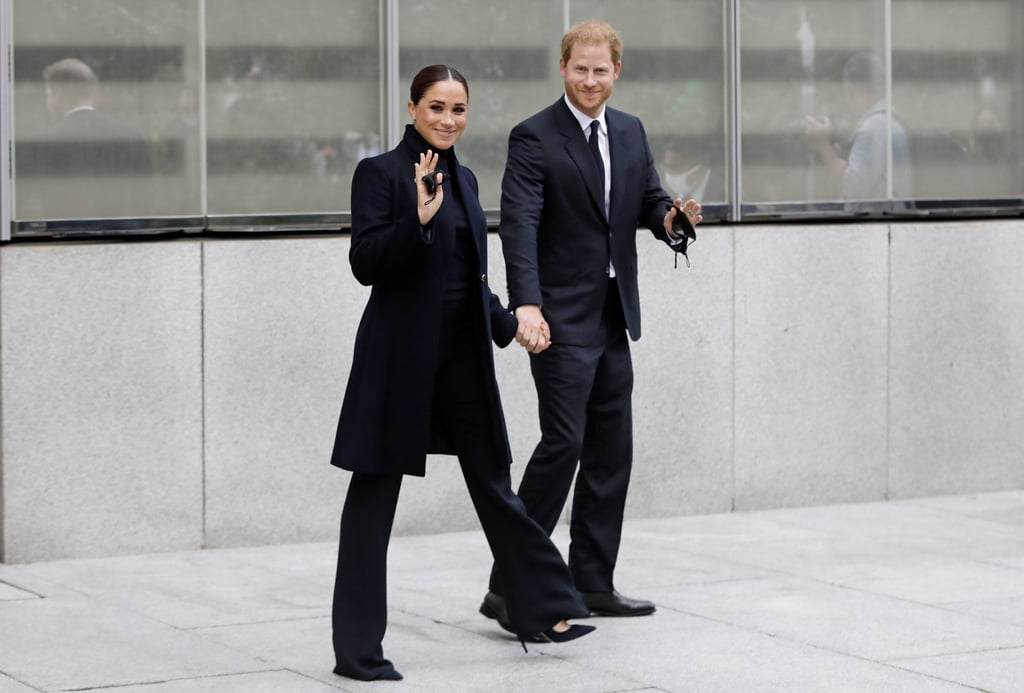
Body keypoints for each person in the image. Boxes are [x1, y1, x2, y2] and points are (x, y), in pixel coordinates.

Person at [328, 64, 594, 683]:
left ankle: (541, 607)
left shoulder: (466, 179)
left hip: (462, 362)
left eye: (458, 109)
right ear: (413, 107)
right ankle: (357, 652)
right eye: (437, 108)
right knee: (373, 500)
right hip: (398, 364)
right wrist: (415, 222)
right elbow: (365, 263)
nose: (448, 120)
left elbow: (468, 278)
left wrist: (513, 326)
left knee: (496, 487)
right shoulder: (380, 174)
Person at [481, 20, 702, 623]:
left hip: (611, 315)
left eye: (601, 70)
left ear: (616, 72)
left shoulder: (629, 132)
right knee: (564, 444)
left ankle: (593, 582)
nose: (590, 80)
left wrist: (672, 222)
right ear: (563, 68)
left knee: (611, 450)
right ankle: (510, 583)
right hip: (557, 318)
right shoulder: (534, 137)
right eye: (580, 69)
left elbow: (648, 200)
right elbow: (519, 224)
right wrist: (525, 302)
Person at [17, 58, 154, 219]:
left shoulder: (40, 144)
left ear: (57, 91)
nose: (47, 103)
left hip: (63, 237)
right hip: (121, 236)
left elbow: (18, 198)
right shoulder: (131, 136)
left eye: (47, 94)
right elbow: (147, 201)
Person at [804, 52, 911, 208]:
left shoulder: (874, 127)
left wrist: (823, 144)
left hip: (875, 227)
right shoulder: (889, 121)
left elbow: (854, 188)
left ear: (850, 90)